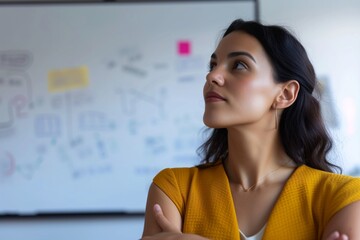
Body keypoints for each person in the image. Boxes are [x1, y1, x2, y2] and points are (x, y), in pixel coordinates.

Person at [141, 19, 360, 240]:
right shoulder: (174, 189)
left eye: (239, 65)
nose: (212, 76)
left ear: (285, 94)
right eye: (213, 65)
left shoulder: (345, 197)